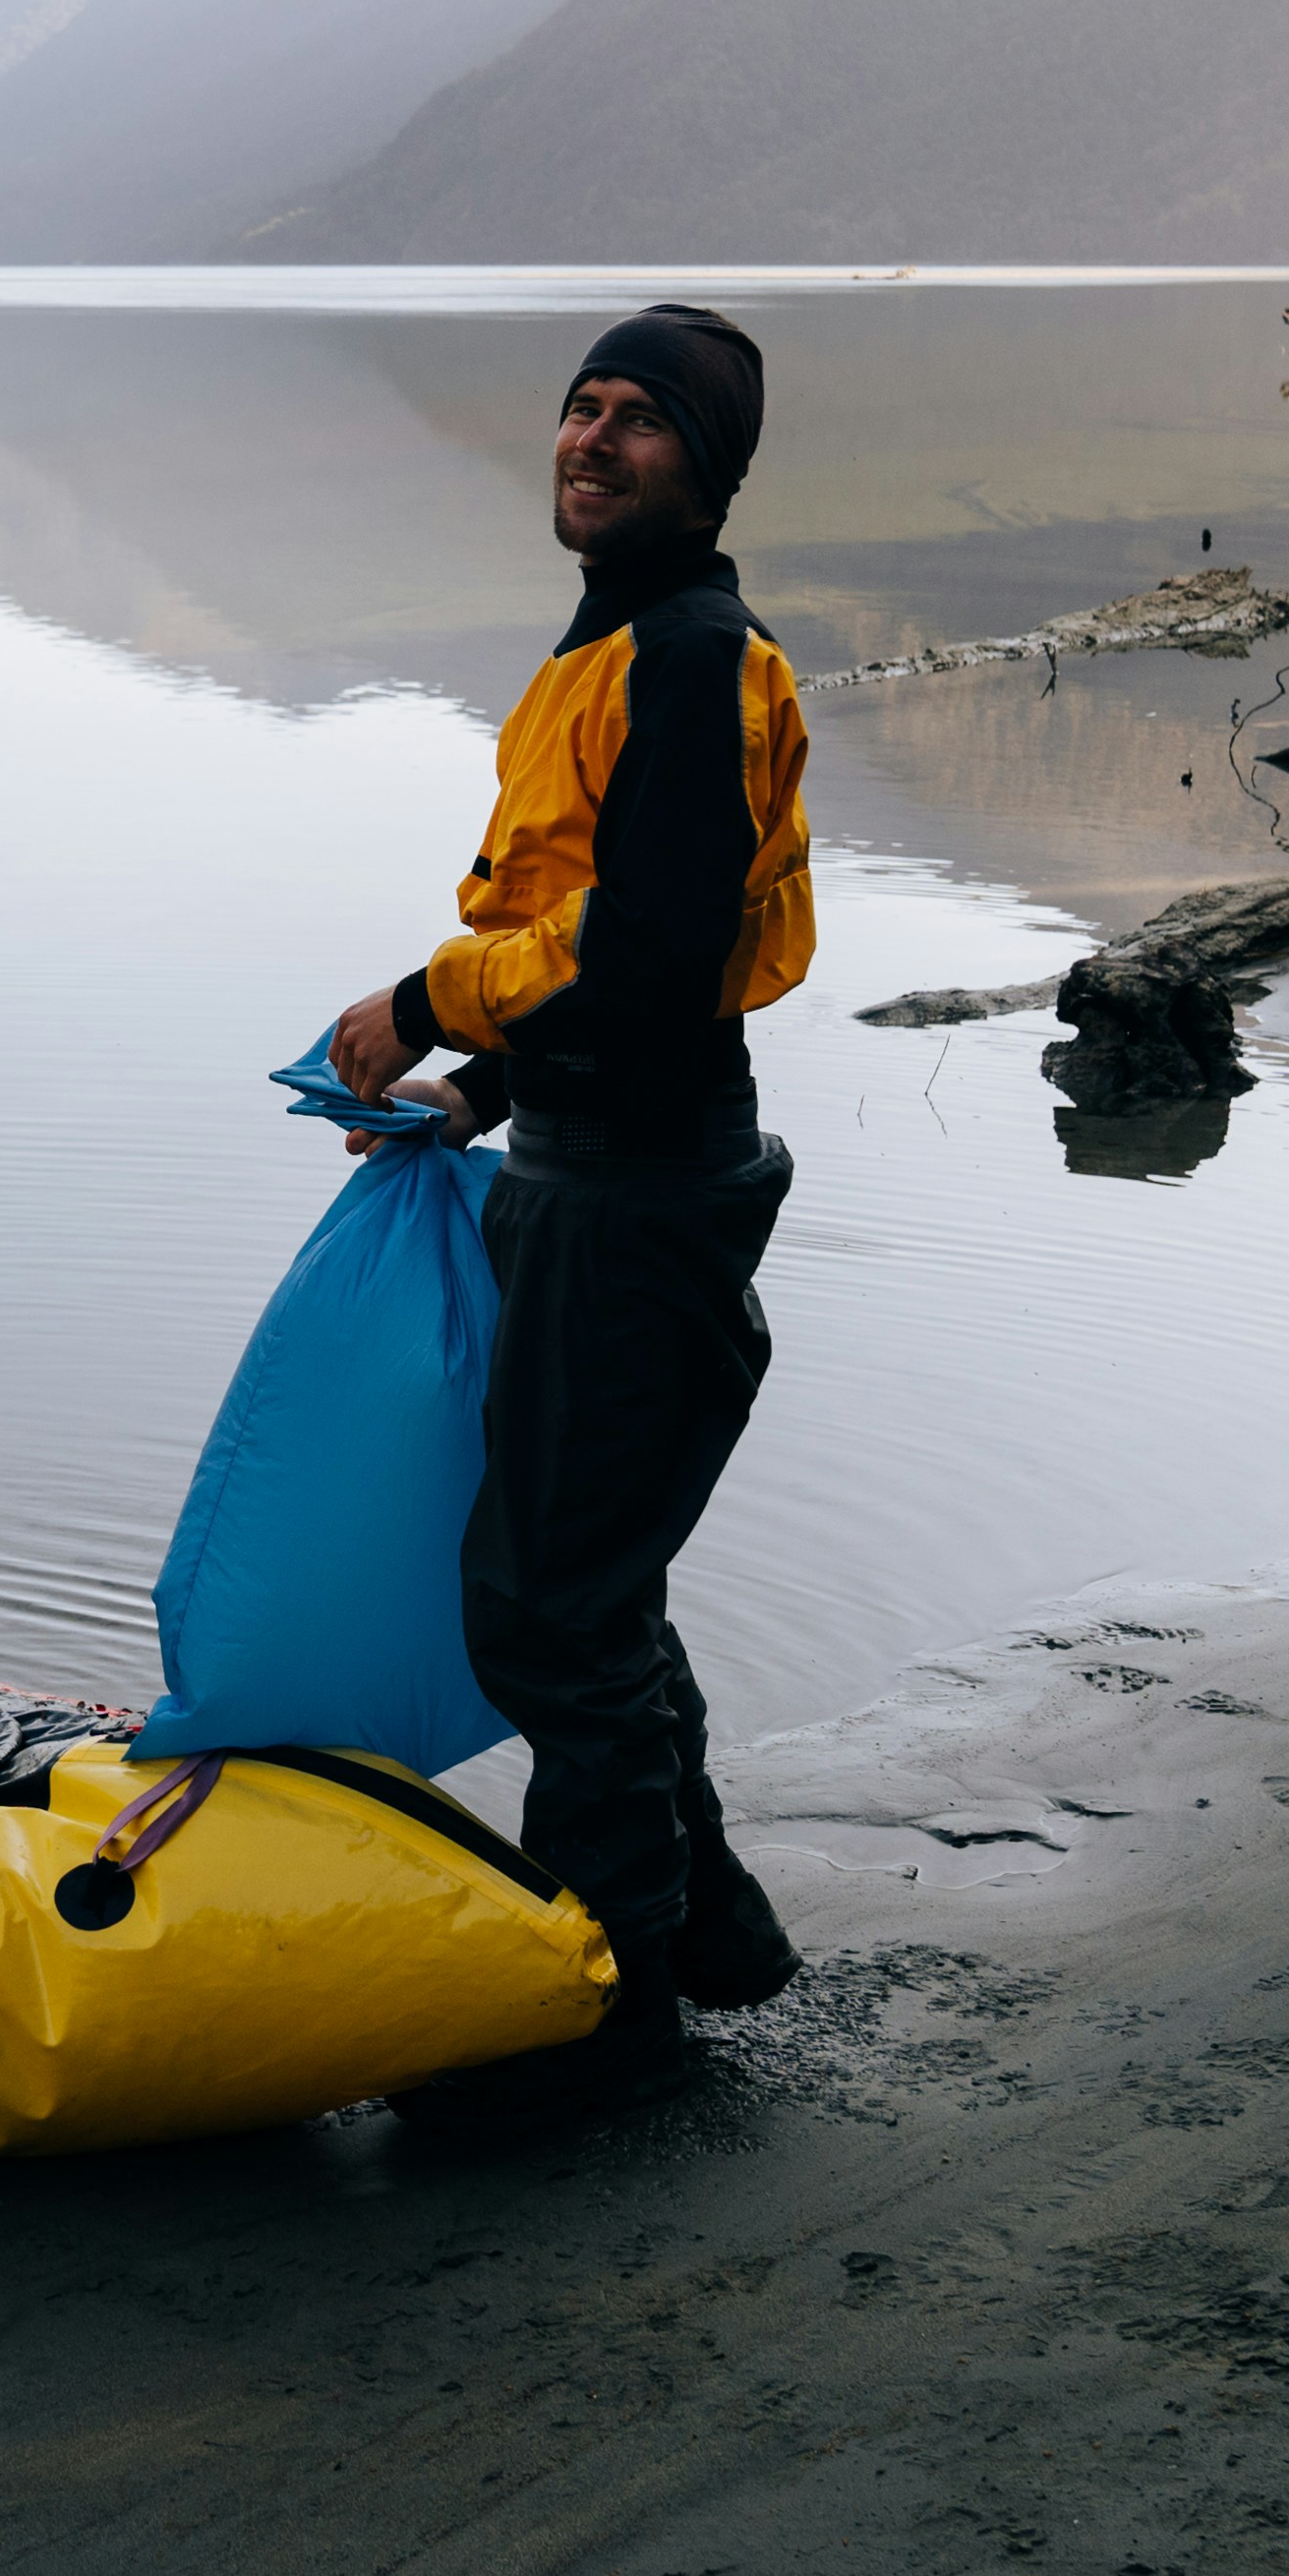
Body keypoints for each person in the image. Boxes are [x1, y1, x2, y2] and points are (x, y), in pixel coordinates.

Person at [322, 303, 811, 2127]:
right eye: (579, 409)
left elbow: (662, 943)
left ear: (706, 467)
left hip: (643, 1199)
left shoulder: (691, 653)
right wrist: (490, 1095)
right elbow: (621, 927)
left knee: (542, 1611)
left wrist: (431, 1003)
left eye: (639, 424)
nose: (590, 441)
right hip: (597, 1161)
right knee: (590, 1582)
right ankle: (708, 1933)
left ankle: (605, 2012)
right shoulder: (619, 642)